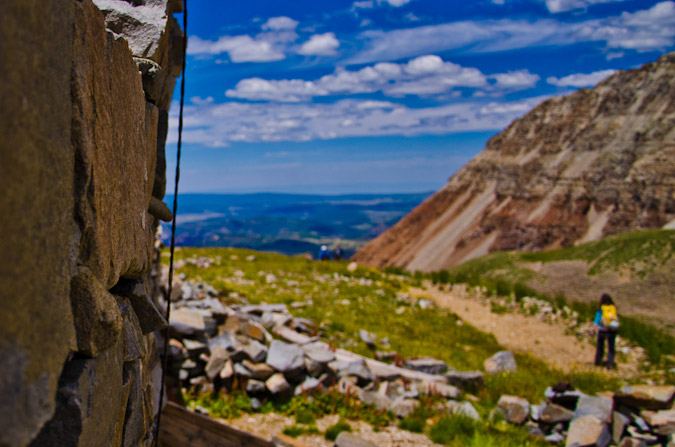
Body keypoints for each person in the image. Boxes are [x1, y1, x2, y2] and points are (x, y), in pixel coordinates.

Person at [593, 293, 619, 369]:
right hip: (612, 329)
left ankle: (598, 360)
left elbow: (597, 320)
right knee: (611, 346)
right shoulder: (613, 307)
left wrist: (593, 330)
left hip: (602, 329)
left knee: (600, 346)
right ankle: (610, 362)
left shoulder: (601, 308)